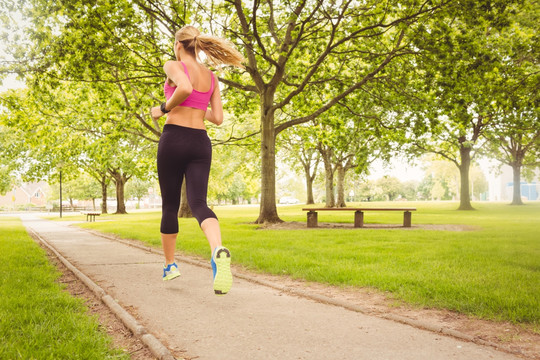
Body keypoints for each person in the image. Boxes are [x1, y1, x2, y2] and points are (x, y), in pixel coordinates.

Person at [151, 25, 244, 295]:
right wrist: (196, 108)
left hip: (174, 138)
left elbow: (184, 87)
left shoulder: (173, 64)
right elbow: (217, 118)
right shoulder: (212, 77)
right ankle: (217, 249)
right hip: (200, 143)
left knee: (170, 204)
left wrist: (162, 108)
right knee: (199, 203)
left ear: (179, 45)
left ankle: (170, 265)